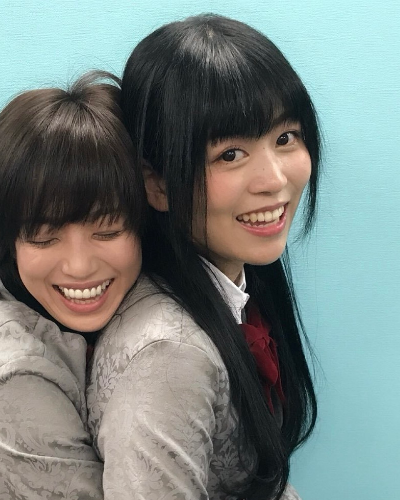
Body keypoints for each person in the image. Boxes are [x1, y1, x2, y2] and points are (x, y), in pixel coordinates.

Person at [87, 14, 320, 500]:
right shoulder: (168, 356)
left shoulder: (232, 286)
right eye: (230, 154)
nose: (274, 180)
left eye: (285, 138)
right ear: (157, 184)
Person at [0, 71, 145, 499]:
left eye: (108, 230)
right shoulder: (11, 379)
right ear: (8, 241)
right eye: (44, 237)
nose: (79, 266)